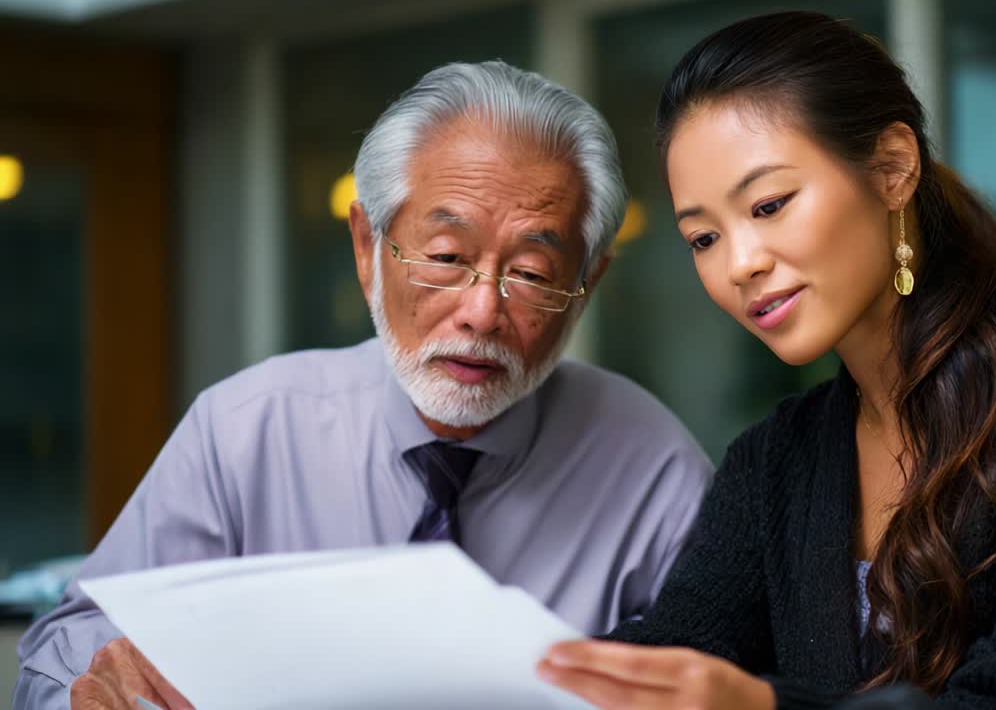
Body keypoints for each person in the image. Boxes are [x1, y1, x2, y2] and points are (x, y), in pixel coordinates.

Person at [537, 11, 996, 709]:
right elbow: (672, 651)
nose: (740, 264)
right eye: (703, 238)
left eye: (768, 204)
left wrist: (761, 707)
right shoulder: (775, 461)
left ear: (892, 168)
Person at [15, 60, 713, 710]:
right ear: (366, 246)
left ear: (586, 286)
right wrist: (93, 682)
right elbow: (62, 643)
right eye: (446, 257)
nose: (481, 312)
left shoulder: (653, 469)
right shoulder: (247, 429)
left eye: (531, 273)